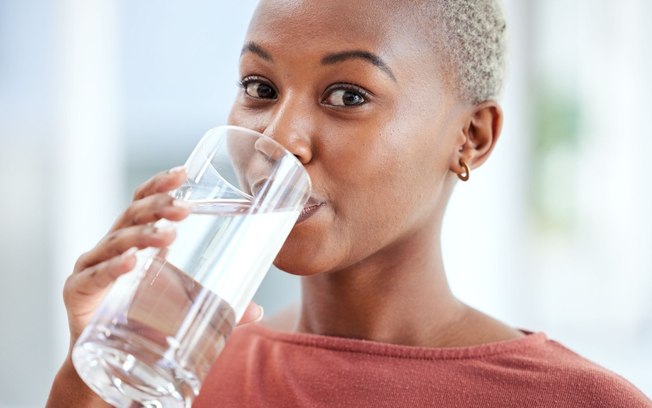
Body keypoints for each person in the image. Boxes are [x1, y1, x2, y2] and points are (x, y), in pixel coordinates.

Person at [47, 0, 651, 406]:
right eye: (260, 88)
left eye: (346, 94)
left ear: (472, 137)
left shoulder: (576, 400)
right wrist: (87, 380)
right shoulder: (178, 372)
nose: (278, 139)